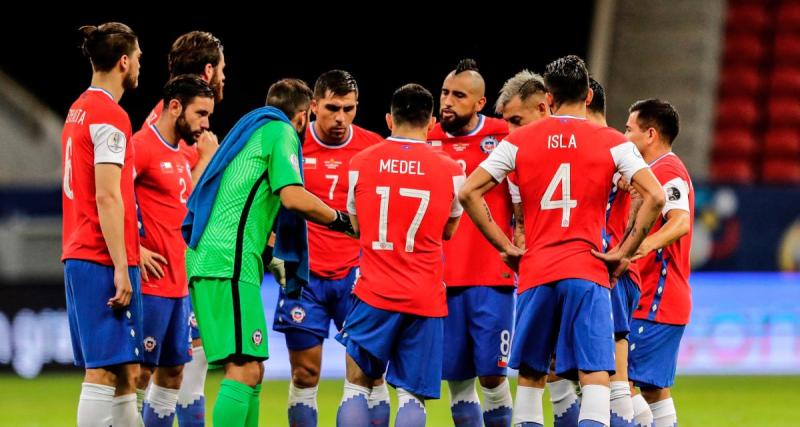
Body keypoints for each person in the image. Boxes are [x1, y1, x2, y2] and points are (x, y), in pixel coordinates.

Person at [458, 55, 666, 427]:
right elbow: (655, 197)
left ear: (548, 99)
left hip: (537, 270)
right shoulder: (614, 143)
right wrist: (624, 252)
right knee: (595, 376)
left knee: (532, 377)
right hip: (588, 269)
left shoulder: (518, 141)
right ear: (588, 96)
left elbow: (469, 192)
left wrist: (505, 246)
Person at [181, 77, 353, 426]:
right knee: (243, 369)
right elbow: (291, 196)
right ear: (303, 116)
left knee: (254, 369)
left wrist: (272, 249)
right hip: (227, 262)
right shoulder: (280, 132)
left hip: (221, 260)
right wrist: (342, 220)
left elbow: (243, 204)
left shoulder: (250, 132)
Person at [336, 83, 465, 427]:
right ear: (431, 122)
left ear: (389, 119)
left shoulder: (360, 162)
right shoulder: (452, 170)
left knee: (356, 385)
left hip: (373, 291)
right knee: (411, 395)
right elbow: (448, 232)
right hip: (424, 296)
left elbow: (358, 227)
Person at [271, 70, 383, 427]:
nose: (340, 118)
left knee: (370, 374)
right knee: (304, 375)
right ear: (314, 106)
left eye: (348, 109)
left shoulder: (373, 148)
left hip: (357, 277)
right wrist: (272, 246)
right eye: (332, 108)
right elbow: (266, 203)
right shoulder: (290, 144)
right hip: (305, 278)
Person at [138, 31, 225, 426]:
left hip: (184, 264)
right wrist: (131, 247)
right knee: (149, 372)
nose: (225, 77)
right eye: (223, 68)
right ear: (209, 70)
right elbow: (182, 197)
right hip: (167, 270)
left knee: (184, 366)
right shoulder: (169, 129)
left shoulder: (181, 120)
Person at [62, 22, 143, 427]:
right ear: (124, 61)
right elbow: (108, 196)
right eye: (139, 59)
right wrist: (121, 266)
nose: (140, 67)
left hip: (80, 251)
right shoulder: (110, 115)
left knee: (126, 372)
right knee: (102, 373)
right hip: (99, 255)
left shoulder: (78, 109)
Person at [428, 59, 514, 427]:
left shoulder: (505, 136)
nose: (447, 101)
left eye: (459, 95)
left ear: (480, 103)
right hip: (441, 279)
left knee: (493, 378)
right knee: (457, 381)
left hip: (492, 277)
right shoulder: (427, 138)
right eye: (445, 92)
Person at [623, 99, 692, 427]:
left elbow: (680, 221)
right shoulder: (652, 172)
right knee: (653, 390)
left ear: (650, 134)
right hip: (659, 299)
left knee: (613, 378)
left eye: (628, 129)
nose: (624, 136)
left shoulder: (668, 170)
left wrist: (641, 246)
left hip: (657, 299)